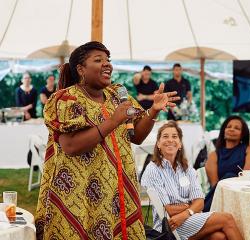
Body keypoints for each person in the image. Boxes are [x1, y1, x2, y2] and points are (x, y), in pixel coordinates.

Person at [35, 41, 179, 240]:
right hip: (79, 193)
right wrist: (114, 120)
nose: (107, 64)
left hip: (116, 190)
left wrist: (153, 110)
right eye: (98, 60)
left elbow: (136, 136)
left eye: (108, 60)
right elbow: (70, 146)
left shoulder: (117, 95)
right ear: (81, 69)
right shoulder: (67, 99)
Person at [141, 121, 243, 240]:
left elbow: (200, 202)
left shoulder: (187, 168)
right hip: (170, 225)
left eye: (174, 136)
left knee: (218, 237)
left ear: (179, 144)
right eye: (165, 136)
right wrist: (191, 206)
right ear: (158, 144)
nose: (170, 140)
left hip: (186, 218)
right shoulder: (153, 169)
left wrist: (186, 212)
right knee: (227, 219)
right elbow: (167, 210)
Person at [204, 116, 250, 212]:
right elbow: (215, 186)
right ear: (224, 130)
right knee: (227, 178)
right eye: (228, 126)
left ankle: (203, 209)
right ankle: (205, 209)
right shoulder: (214, 155)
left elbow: (246, 177)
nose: (231, 129)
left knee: (229, 176)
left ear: (242, 134)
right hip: (222, 195)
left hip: (244, 194)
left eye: (237, 128)